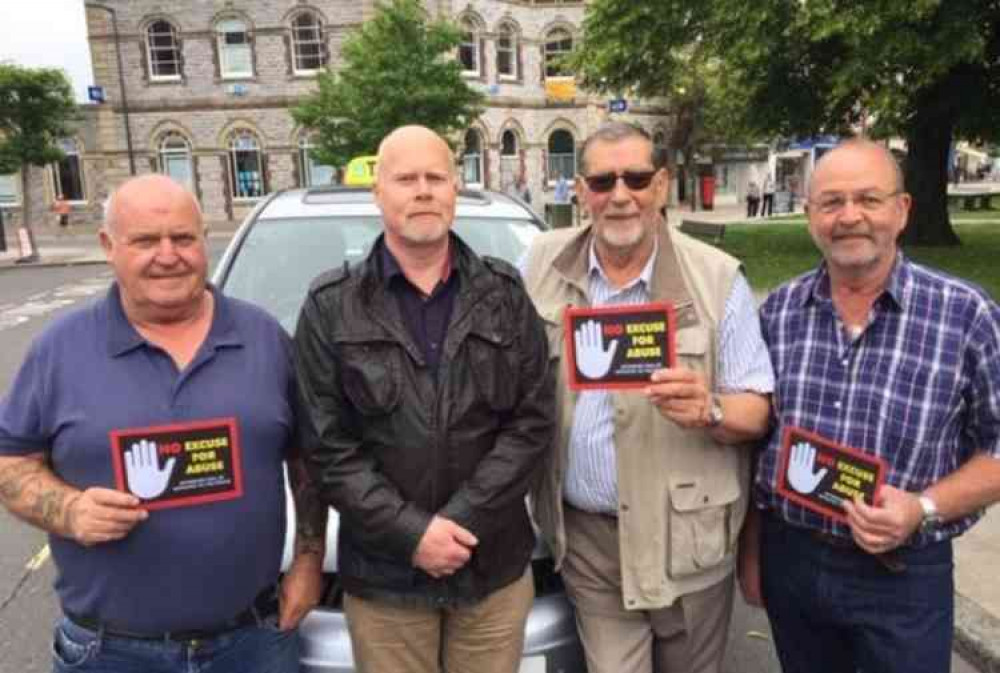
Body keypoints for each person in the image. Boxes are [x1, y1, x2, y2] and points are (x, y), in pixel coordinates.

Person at [0, 174, 326, 673]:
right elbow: (11, 463)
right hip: (110, 650)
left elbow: (307, 460)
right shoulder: (60, 350)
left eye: (183, 238)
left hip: (253, 641)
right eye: (146, 241)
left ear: (204, 241)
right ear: (109, 246)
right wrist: (69, 510)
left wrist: (307, 562)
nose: (168, 255)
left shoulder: (264, 338)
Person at [294, 125, 554, 673]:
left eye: (436, 177)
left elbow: (532, 422)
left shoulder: (504, 295)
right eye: (406, 178)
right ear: (378, 193)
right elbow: (326, 445)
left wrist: (459, 524)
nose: (423, 190)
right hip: (386, 581)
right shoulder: (329, 306)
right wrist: (413, 534)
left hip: (493, 571)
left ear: (455, 189)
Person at [521, 121, 774, 673]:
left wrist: (709, 409)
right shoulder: (538, 264)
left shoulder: (716, 277)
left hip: (687, 541)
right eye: (602, 180)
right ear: (579, 190)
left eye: (636, 179)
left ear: (660, 185)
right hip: (587, 541)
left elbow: (757, 409)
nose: (620, 196)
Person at [743, 139, 1000, 673]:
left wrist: (921, 508)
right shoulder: (778, 312)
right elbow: (756, 446)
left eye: (869, 199)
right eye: (831, 202)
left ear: (902, 210)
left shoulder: (966, 315)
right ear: (810, 215)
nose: (849, 216)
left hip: (902, 571)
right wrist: (754, 554)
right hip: (793, 559)